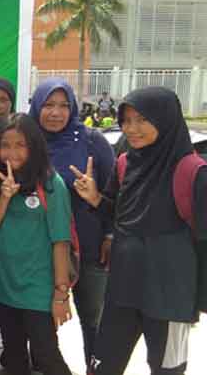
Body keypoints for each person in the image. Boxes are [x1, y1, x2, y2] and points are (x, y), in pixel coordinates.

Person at [73, 87, 205, 375]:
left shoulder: (194, 172)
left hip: (169, 297)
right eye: (126, 120)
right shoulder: (125, 163)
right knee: (102, 367)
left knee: (167, 370)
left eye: (142, 120)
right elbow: (121, 216)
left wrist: (201, 298)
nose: (131, 129)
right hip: (123, 290)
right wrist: (95, 199)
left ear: (165, 119)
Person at [29, 78, 114, 369]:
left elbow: (115, 193)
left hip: (89, 244)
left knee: (93, 319)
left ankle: (95, 367)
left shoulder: (92, 141)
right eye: (48, 105)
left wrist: (111, 234)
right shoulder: (27, 141)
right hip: (42, 249)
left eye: (64, 106)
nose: (56, 113)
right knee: (42, 321)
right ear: (36, 106)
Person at [0, 113, 72, 375]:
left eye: (20, 145)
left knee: (46, 355)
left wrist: (61, 294)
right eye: (5, 145)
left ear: (34, 146)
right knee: (14, 356)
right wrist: (5, 198)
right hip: (4, 284)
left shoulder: (51, 184)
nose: (12, 153)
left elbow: (61, 241)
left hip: (38, 288)